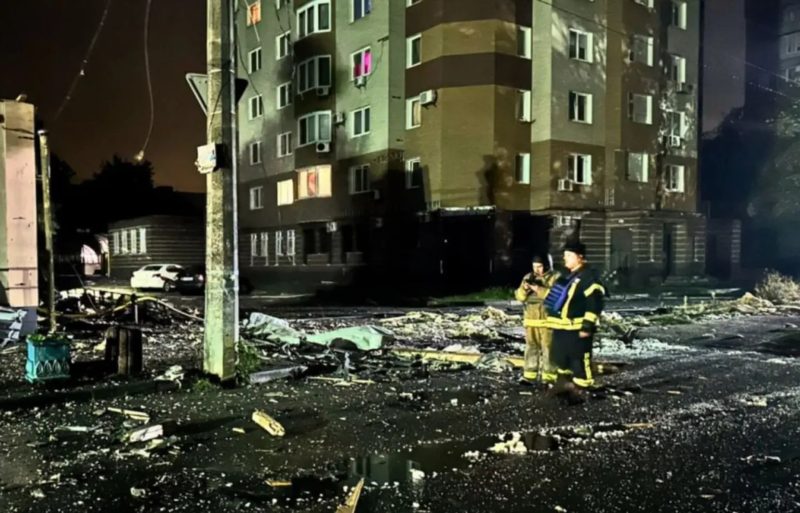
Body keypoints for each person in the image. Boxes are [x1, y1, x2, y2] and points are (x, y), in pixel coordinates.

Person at [543, 240, 605, 399]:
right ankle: (564, 385)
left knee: (579, 360)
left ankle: (582, 389)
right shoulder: (566, 277)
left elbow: (594, 303)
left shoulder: (589, 277)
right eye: (565, 255)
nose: (565, 259)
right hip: (561, 328)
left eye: (569, 256)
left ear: (580, 257)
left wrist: (587, 326)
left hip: (577, 328)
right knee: (560, 357)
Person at [514, 255, 559, 387]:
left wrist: (538, 289)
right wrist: (525, 289)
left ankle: (549, 378)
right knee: (531, 349)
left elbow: (557, 297)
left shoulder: (555, 278)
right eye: (534, 266)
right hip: (531, 321)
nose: (536, 270)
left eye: (539, 266)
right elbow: (519, 297)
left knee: (549, 350)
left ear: (546, 265)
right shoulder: (528, 277)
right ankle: (529, 376)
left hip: (547, 321)